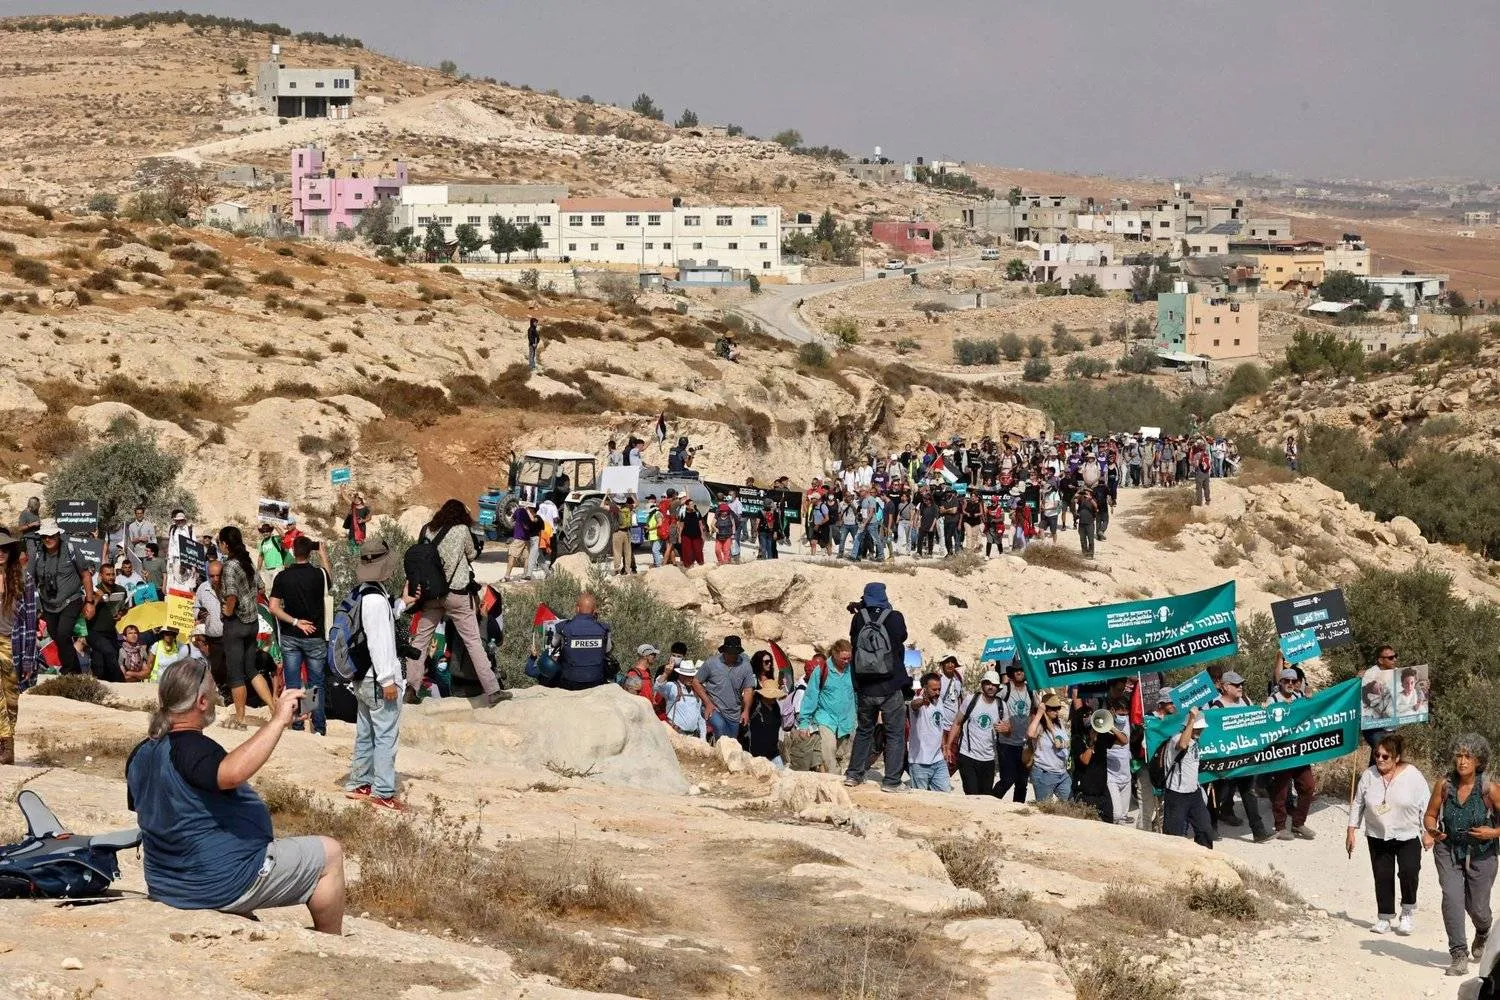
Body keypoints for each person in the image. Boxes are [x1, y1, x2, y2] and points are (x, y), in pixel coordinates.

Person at [125, 659, 345, 931]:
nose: (217, 696)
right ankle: (331, 939)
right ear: (202, 702)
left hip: (166, 882)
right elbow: (231, 773)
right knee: (330, 853)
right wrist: (276, 722)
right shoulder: (192, 749)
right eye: (214, 691)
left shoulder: (141, 753)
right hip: (220, 882)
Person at [404, 501, 507, 705]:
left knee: (420, 641)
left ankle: (411, 688)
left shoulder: (427, 529)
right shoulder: (461, 530)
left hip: (431, 596)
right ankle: (493, 690)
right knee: (473, 641)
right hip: (457, 595)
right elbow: (472, 554)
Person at [344, 538, 419, 811]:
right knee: (386, 735)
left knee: (365, 732)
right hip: (378, 678)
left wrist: (402, 604)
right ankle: (384, 792)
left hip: (362, 677)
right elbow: (379, 641)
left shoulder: (365, 591)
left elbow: (379, 623)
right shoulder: (375, 599)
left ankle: (359, 783)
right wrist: (388, 680)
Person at [1424, 734, 1500, 977]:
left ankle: (1483, 929)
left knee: (1477, 907)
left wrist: (1493, 832)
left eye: (1468, 756)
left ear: (1479, 761)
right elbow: (1430, 814)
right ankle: (1458, 954)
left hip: (1482, 853)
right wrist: (1432, 829)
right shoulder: (1444, 785)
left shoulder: (1489, 788)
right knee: (1452, 897)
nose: (1462, 761)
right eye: (1459, 755)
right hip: (1448, 849)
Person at [1347, 733, 1430, 937]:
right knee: (1382, 875)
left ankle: (1408, 910)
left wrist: (1427, 832)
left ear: (1397, 758)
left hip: (1407, 833)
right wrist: (1351, 831)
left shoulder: (1413, 775)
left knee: (1409, 871)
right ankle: (1384, 916)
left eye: (1386, 756)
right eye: (1377, 755)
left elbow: (1426, 805)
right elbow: (1358, 803)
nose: (1380, 759)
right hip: (1378, 833)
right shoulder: (1369, 775)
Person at [844, 582, 909, 792]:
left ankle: (854, 775)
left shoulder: (858, 618)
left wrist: (861, 608)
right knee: (895, 734)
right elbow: (902, 637)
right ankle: (891, 781)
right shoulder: (895, 617)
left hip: (865, 687)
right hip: (890, 686)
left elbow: (854, 642)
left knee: (864, 731)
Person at [269, 536, 334, 735]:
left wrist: (295, 622)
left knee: (294, 682)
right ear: (310, 552)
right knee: (315, 684)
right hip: (315, 635)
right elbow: (329, 582)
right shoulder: (319, 575)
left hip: (291, 634)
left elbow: (273, 607)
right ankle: (318, 725)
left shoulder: (282, 576)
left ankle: (297, 722)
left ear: (293, 551)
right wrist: (323, 555)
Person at [216, 526, 274, 728]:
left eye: (219, 543)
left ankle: (240, 718)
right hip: (252, 622)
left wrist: (229, 611)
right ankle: (273, 708)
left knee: (235, 674)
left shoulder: (230, 565)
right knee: (252, 669)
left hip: (236, 624)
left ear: (225, 544)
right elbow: (261, 586)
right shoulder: (246, 561)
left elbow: (231, 594)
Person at [1209, 670, 1273, 843]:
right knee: (1219, 794)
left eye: (1241, 684)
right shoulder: (1216, 708)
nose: (1241, 687)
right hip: (1225, 760)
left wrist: (1263, 710)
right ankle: (1210, 828)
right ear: (1225, 687)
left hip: (1244, 758)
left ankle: (1259, 832)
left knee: (1248, 793)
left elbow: (1257, 721)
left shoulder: (1246, 701)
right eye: (1236, 685)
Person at [32, 519, 94, 676]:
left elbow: (85, 575)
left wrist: (89, 601)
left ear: (58, 534)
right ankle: (76, 672)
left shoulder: (71, 549)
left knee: (63, 634)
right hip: (48, 604)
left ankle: (68, 672)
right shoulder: (38, 553)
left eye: (51, 535)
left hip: (71, 600)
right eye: (44, 536)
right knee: (56, 637)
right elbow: (29, 579)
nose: (48, 539)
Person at [0, 529, 38, 765]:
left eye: (5, 549)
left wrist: (28, 658)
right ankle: (4, 739)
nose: (0, 554)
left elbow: (31, 620)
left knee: (11, 697)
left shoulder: (24, 579)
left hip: (13, 642)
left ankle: (7, 743)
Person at [1266, 667, 1318, 840]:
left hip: (1299, 751)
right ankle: (1280, 827)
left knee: (1308, 785)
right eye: (1286, 681)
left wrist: (1310, 700)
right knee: (1281, 791)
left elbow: (1310, 715)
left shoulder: (1298, 698)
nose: (1290, 684)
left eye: (1293, 681)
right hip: (1281, 752)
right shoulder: (1273, 700)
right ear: (1280, 682)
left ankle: (1298, 823)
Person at [796, 640, 856, 776]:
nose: (846, 661)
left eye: (848, 658)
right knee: (828, 756)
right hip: (826, 719)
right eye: (843, 658)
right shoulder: (822, 670)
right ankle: (833, 790)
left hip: (847, 722)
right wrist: (804, 723)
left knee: (842, 757)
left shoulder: (852, 670)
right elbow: (810, 697)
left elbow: (856, 695)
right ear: (834, 654)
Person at [1162, 708, 1214, 848]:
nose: (1199, 731)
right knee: (1174, 836)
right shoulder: (1176, 739)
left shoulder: (1196, 742)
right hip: (1176, 795)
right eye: (1196, 728)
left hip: (1194, 793)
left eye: (1200, 728)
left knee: (1205, 830)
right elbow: (1183, 745)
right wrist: (1191, 719)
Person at [946, 670, 1001, 795]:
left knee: (986, 796)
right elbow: (957, 723)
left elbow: (1008, 730)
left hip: (988, 758)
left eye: (994, 684)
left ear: (998, 687)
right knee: (972, 794)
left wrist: (1006, 730)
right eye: (987, 683)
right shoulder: (971, 700)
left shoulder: (1001, 705)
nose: (991, 686)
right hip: (967, 756)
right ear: (982, 685)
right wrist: (948, 746)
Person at [690, 635, 755, 741]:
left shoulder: (746, 666)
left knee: (731, 742)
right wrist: (707, 703)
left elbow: (748, 690)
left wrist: (746, 710)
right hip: (714, 708)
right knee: (720, 728)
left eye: (734, 653)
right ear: (724, 650)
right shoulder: (711, 663)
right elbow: (696, 682)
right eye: (729, 652)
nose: (732, 656)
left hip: (733, 713)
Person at [547, 592, 614, 690]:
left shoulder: (563, 627)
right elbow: (608, 650)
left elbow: (552, 645)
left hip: (570, 680)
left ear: (577, 608)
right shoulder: (604, 629)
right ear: (595, 610)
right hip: (596, 679)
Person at [992, 662, 1036, 802]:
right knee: (1007, 779)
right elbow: (991, 701)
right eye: (1016, 670)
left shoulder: (1031, 691)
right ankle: (989, 802)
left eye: (1022, 670)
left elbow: (1033, 711)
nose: (1019, 672)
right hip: (1007, 743)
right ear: (1012, 673)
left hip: (1024, 744)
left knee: (1022, 783)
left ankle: (1018, 810)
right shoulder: (1006, 689)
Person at [1078, 709, 1127, 822]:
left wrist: (1111, 726)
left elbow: (1124, 741)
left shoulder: (1103, 736)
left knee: (1109, 819)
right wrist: (1091, 743)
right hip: (1087, 791)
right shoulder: (1079, 739)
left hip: (1102, 789)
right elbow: (1085, 761)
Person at [905, 672, 950, 791]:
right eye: (934, 689)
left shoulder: (939, 701)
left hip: (938, 760)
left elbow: (940, 726)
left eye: (939, 689)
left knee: (945, 795)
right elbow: (914, 705)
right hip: (920, 761)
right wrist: (922, 702)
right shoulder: (917, 700)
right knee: (922, 799)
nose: (938, 692)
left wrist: (945, 747)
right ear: (925, 688)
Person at [84, 561, 128, 683]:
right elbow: (86, 614)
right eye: (108, 574)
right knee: (110, 653)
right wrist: (97, 598)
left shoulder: (121, 590)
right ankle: (121, 683)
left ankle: (103, 688)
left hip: (110, 632)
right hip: (94, 632)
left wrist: (120, 614)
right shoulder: (93, 590)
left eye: (113, 574)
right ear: (101, 576)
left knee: (100, 665)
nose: (111, 577)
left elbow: (124, 609)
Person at [1027, 692, 1072, 803]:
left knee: (1069, 802)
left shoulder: (1059, 723)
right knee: (1045, 807)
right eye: (1053, 709)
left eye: (1058, 708)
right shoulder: (1040, 726)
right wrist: (1039, 714)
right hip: (1044, 773)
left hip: (1062, 772)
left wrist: (1062, 744)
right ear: (1046, 709)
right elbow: (1030, 734)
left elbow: (1066, 743)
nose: (1056, 711)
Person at [745, 652, 784, 766]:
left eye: (770, 661)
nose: (769, 664)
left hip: (770, 707)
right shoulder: (753, 679)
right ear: (759, 663)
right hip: (758, 709)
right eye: (766, 662)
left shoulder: (771, 678)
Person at [193, 560, 226, 688]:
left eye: (218, 575)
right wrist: (199, 614)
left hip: (231, 636)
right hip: (213, 638)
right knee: (216, 669)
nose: (215, 579)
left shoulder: (230, 587)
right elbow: (195, 607)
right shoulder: (203, 588)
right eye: (212, 576)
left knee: (233, 669)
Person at [661, 659, 706, 739]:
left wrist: (703, 737)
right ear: (681, 675)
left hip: (693, 737)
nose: (691, 679)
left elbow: (700, 717)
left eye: (692, 676)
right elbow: (658, 687)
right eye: (688, 676)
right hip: (675, 735)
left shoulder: (696, 692)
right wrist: (665, 674)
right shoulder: (672, 687)